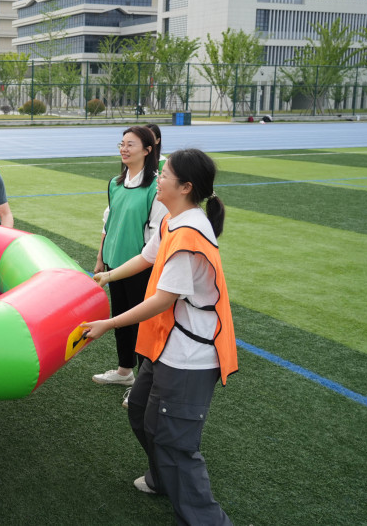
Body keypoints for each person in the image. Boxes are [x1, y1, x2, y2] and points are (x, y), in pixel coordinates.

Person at [81, 149, 237, 525]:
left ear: (185, 187)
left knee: (176, 444)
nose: (159, 179)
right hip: (165, 345)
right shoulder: (173, 220)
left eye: (165, 174)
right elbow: (147, 256)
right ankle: (163, 477)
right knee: (140, 410)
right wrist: (108, 275)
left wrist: (108, 323)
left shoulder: (188, 236)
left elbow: (162, 300)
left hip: (188, 356)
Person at [92, 126, 167, 402]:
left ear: (148, 150)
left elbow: (157, 234)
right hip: (115, 265)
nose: (124, 149)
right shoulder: (115, 183)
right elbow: (108, 222)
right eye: (122, 144)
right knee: (121, 320)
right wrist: (101, 258)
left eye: (131, 144)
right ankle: (125, 371)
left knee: (142, 325)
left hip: (140, 268)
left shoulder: (155, 187)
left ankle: (146, 385)